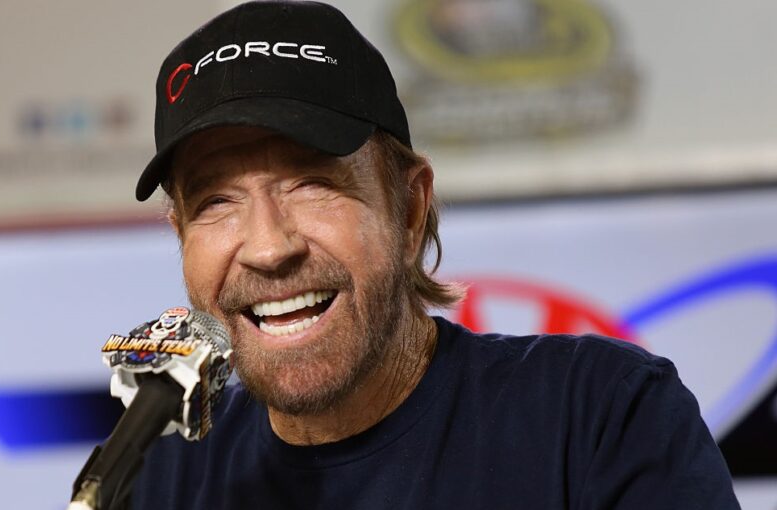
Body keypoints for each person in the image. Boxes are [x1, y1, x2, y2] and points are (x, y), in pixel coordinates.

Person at [128, 1, 740, 508]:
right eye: (216, 201)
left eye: (312, 183)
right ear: (181, 235)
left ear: (410, 210)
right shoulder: (161, 475)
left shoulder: (601, 417)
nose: (267, 246)